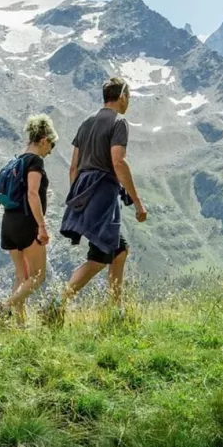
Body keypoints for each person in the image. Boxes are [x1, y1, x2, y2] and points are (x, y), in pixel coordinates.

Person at [58, 77, 148, 313]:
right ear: (122, 97)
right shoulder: (119, 122)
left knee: (119, 250)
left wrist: (79, 199)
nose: (128, 102)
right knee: (99, 257)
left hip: (83, 191)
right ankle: (57, 305)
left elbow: (73, 168)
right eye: (129, 97)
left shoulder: (86, 123)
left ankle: (115, 310)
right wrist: (137, 202)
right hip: (103, 193)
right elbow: (118, 162)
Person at [0, 115, 57, 324]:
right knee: (38, 277)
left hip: (9, 222)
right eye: (51, 146)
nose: (50, 152)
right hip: (27, 223)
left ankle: (19, 326)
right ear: (44, 140)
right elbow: (32, 193)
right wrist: (42, 226)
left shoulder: (16, 160)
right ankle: (4, 307)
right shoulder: (35, 161)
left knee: (22, 277)